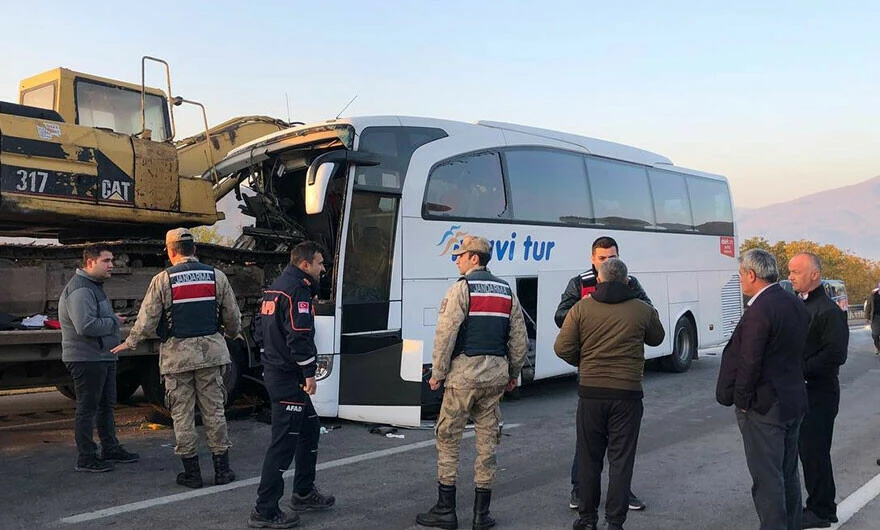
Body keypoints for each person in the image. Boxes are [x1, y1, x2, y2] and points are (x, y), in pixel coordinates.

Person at [112, 228, 240, 488]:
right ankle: (222, 470)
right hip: (211, 354)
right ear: (195, 249)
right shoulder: (216, 276)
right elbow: (232, 316)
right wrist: (233, 333)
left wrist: (131, 341)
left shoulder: (163, 280)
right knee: (214, 411)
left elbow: (147, 320)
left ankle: (192, 474)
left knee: (182, 414)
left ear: (170, 252)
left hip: (177, 357)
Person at [416, 235, 528, 530]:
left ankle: (446, 509)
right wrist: (513, 373)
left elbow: (446, 333)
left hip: (463, 377)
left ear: (474, 258)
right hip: (495, 377)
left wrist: (438, 373)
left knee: (448, 437)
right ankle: (481, 515)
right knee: (487, 441)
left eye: (460, 255)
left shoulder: (462, 288)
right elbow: (519, 338)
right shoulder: (507, 291)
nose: (457, 260)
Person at [554, 258, 665, 530]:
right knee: (621, 461)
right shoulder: (642, 309)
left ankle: (587, 519)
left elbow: (562, 347)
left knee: (589, 459)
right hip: (627, 394)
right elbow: (657, 338)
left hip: (591, 393)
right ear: (627, 281)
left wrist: (585, 362)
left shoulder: (581, 308)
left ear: (599, 279)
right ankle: (615, 522)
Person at [716, 249, 810, 530]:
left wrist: (742, 400)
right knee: (788, 473)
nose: (740, 280)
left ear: (751, 274)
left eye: (740, 275)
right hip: (792, 399)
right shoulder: (792, 302)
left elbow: (750, 360)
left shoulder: (760, 310)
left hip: (765, 406)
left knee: (768, 479)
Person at [249, 241, 335, 529]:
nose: (323, 269)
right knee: (283, 444)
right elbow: (299, 335)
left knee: (310, 430)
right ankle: (264, 510)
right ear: (305, 264)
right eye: (320, 263)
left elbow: (259, 330)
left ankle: (303, 493)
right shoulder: (297, 289)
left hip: (279, 372)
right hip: (288, 377)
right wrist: (309, 373)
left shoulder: (277, 285)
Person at [60, 245, 139, 472]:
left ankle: (110, 448)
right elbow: (85, 326)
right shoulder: (81, 289)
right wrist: (113, 321)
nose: (111, 265)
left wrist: (111, 318)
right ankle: (86, 457)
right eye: (106, 261)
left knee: (106, 405)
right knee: (88, 408)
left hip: (102, 356)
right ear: (90, 262)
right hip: (87, 357)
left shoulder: (94, 286)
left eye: (111, 260)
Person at [788, 253, 849, 528]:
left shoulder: (829, 311)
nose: (790, 277)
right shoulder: (799, 306)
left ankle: (822, 510)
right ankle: (817, 505)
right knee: (805, 451)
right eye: (790, 271)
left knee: (815, 452)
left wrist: (800, 370)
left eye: (796, 272)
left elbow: (836, 354)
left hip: (820, 393)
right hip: (801, 392)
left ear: (814, 275)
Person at [865, 282, 880, 354]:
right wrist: (867, 317)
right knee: (875, 334)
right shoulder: (872, 296)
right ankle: (878, 347)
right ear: (878, 287)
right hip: (875, 317)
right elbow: (868, 306)